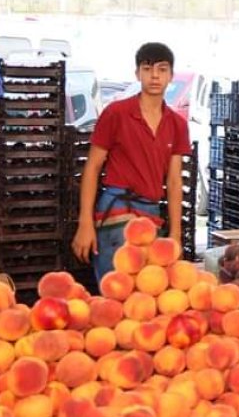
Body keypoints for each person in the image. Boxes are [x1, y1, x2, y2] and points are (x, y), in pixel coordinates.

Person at [71, 43, 191, 280]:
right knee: (116, 292)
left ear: (171, 76)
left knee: (147, 294)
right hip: (116, 211)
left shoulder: (177, 124)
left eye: (162, 69)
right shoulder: (116, 113)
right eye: (147, 69)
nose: (155, 76)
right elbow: (92, 167)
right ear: (137, 74)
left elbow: (175, 181)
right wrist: (85, 223)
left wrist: (176, 234)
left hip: (151, 214)